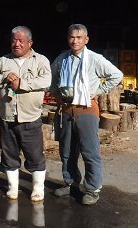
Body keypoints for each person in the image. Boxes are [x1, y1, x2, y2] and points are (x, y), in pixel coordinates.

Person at [50, 24, 123, 205]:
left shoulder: (94, 59)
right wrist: (54, 92)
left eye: (79, 37)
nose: (75, 41)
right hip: (67, 109)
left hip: (87, 108)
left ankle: (92, 189)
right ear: (68, 38)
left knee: (89, 151)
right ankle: (70, 183)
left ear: (86, 40)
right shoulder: (62, 59)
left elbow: (117, 75)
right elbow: (51, 78)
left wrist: (99, 89)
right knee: (66, 151)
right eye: (72, 37)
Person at [0, 26, 51, 201]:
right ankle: (13, 188)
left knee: (35, 155)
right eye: (14, 40)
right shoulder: (3, 60)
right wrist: (3, 79)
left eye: (21, 41)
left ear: (30, 43)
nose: (16, 44)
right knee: (9, 154)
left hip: (30, 116)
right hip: (8, 116)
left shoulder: (41, 61)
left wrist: (21, 83)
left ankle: (38, 188)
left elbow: (46, 80)